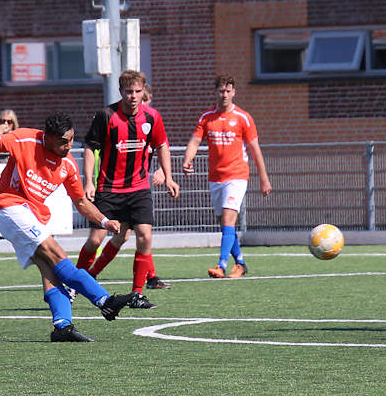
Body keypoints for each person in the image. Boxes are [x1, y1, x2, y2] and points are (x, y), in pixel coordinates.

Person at [0, 107, 134, 342]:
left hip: (31, 215)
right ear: (46, 138)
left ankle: (62, 326)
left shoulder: (68, 164)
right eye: (62, 142)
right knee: (56, 253)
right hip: (8, 207)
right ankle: (105, 301)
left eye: (71, 139)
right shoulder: (25, 139)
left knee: (49, 268)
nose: (69, 146)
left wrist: (103, 220)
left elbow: (81, 202)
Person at [76, 70, 180, 309]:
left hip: (138, 188)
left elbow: (162, 145)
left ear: (144, 91)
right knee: (95, 239)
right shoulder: (106, 115)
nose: (133, 96)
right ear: (121, 92)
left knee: (144, 235)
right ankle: (75, 284)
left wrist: (169, 177)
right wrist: (89, 181)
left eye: (137, 91)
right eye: (129, 91)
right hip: (109, 188)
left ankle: (136, 294)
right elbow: (91, 148)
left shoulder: (152, 117)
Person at [182, 75, 272, 278]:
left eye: (228, 91)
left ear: (234, 92)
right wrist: (188, 159)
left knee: (229, 219)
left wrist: (264, 178)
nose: (224, 94)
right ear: (215, 92)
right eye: (221, 91)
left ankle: (221, 266)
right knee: (224, 224)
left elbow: (255, 149)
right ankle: (240, 263)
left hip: (237, 175)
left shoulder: (243, 117)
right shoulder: (206, 118)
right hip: (215, 178)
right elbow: (195, 141)